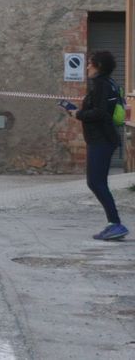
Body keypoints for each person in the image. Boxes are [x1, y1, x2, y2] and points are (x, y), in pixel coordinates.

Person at [68, 51, 128, 241]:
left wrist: (78, 114)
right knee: (97, 182)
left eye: (90, 63)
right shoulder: (108, 83)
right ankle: (114, 223)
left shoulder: (101, 84)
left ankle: (115, 223)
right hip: (103, 139)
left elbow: (100, 113)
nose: (87, 67)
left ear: (98, 66)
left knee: (95, 182)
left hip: (101, 140)